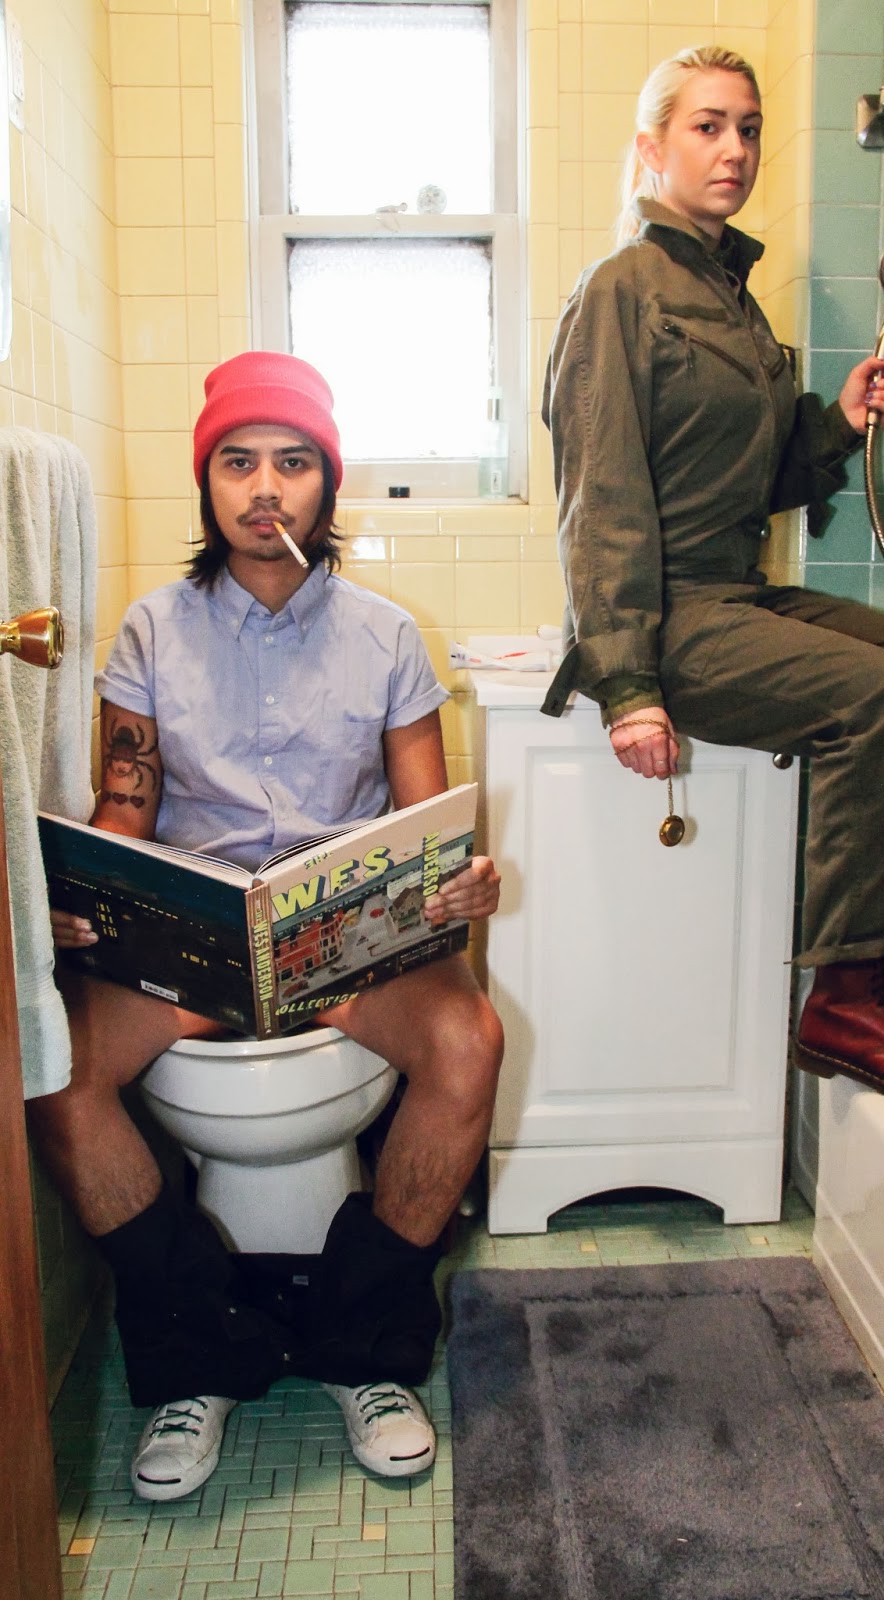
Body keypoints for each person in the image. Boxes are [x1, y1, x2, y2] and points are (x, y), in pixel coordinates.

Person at [31, 351, 504, 1501]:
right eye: (237, 462)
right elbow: (127, 807)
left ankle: (361, 1346)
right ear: (207, 482)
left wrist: (458, 888)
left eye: (293, 463)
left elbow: (425, 825)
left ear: (326, 482)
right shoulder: (151, 631)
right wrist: (80, 893)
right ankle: (200, 1352)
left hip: (342, 937)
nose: (264, 488)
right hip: (195, 939)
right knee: (54, 1068)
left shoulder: (385, 636)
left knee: (468, 1042)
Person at [541, 45, 884, 1103]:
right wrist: (628, 685)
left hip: (737, 592)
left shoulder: (733, 302)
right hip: (667, 611)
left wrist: (836, 422)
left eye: (748, 128)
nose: (735, 149)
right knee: (874, 693)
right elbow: (600, 493)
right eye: (707, 126)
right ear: (651, 147)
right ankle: (842, 994)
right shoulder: (620, 290)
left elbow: (755, 478)